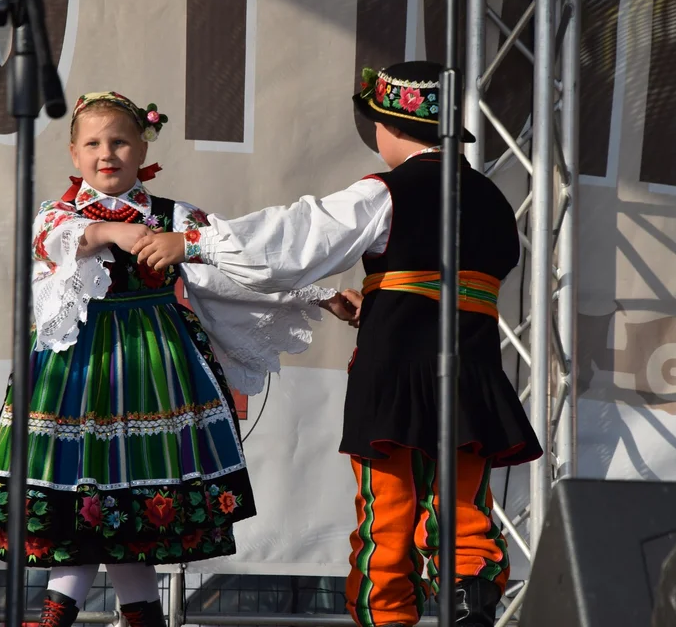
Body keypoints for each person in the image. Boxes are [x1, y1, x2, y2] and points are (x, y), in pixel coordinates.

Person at [133, 62, 544, 627]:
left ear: (387, 126)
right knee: (464, 501)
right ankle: (470, 588)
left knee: (388, 512)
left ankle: (387, 618)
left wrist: (195, 242)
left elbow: (296, 239)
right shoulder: (495, 200)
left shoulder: (385, 192)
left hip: (395, 372)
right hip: (470, 374)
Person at [0, 92, 352, 627]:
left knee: (133, 528)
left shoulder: (174, 218)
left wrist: (316, 294)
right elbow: (52, 239)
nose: (107, 154)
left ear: (141, 147)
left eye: (120, 141)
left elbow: (237, 267)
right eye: (93, 144)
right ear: (73, 153)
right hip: (74, 379)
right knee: (80, 513)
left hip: (153, 373)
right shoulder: (58, 214)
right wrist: (110, 230)